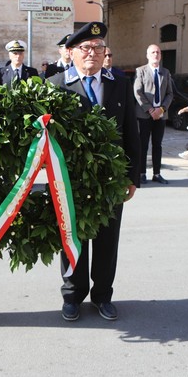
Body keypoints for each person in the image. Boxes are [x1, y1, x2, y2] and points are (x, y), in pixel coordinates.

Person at [47, 21, 140, 322]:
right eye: (85, 48)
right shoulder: (57, 85)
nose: (92, 54)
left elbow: (131, 132)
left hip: (110, 179)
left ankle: (102, 295)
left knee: (107, 239)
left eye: (99, 48)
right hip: (70, 179)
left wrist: (133, 177)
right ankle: (72, 295)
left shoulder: (119, 83)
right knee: (72, 238)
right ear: (71, 52)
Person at [133, 44, 174, 184]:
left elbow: (170, 93)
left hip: (161, 115)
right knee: (143, 144)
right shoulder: (141, 71)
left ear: (160, 55)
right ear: (147, 55)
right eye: (152, 52)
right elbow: (138, 92)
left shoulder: (166, 72)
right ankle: (142, 173)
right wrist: (150, 110)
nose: (155, 54)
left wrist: (161, 109)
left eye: (157, 52)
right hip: (145, 115)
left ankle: (157, 173)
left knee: (158, 145)